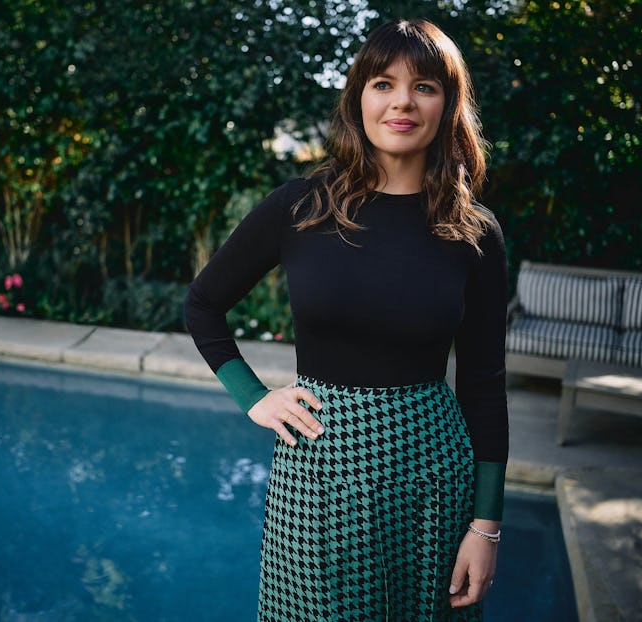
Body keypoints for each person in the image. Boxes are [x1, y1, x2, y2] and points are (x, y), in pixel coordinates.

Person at [184, 18, 508, 622]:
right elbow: (203, 304)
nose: (402, 102)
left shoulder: (475, 232)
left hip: (434, 477)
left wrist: (485, 525)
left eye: (425, 87)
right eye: (383, 83)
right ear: (359, 96)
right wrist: (252, 396)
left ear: (449, 103)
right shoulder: (300, 206)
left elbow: (485, 383)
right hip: (321, 469)